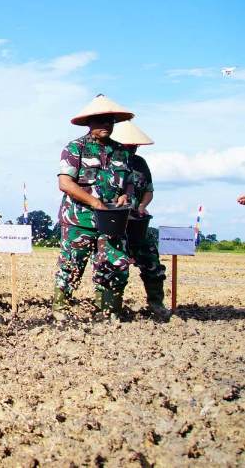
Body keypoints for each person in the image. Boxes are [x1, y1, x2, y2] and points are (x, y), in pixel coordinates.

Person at [53, 94, 133, 322]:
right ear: (89, 123)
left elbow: (128, 182)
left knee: (114, 264)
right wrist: (95, 203)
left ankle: (108, 311)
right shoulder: (75, 148)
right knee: (72, 264)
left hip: (113, 221)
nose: (106, 125)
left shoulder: (122, 152)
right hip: (80, 220)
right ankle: (61, 309)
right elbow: (65, 183)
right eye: (100, 121)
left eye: (110, 121)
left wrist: (126, 196)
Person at [111, 120, 170, 320]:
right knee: (114, 267)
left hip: (138, 222)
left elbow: (149, 191)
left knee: (152, 262)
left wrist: (143, 205)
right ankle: (112, 308)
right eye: (129, 145)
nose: (132, 149)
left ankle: (156, 303)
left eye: (135, 145)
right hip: (115, 223)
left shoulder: (140, 163)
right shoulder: (109, 162)